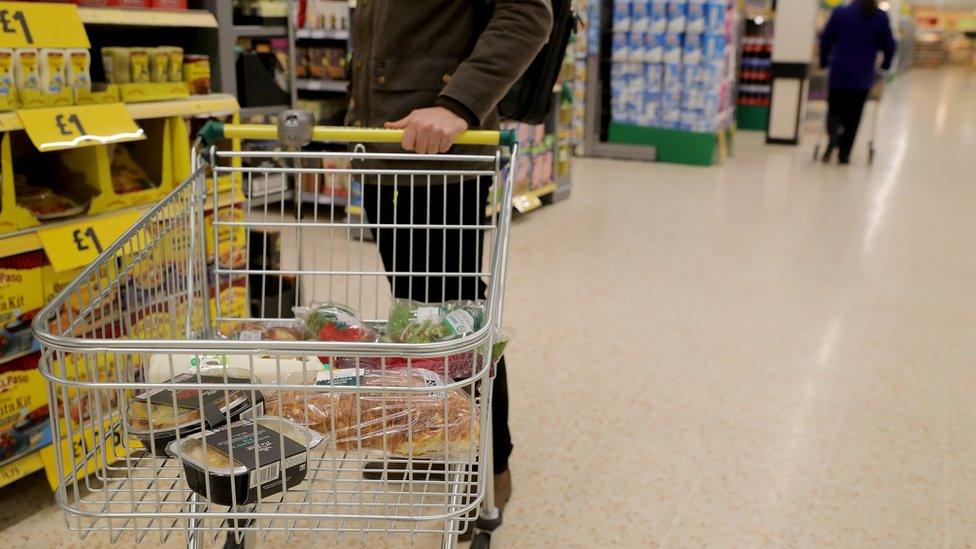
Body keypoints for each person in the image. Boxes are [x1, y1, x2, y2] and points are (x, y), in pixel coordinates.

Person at [346, 0, 554, 514]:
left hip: (444, 155)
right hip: (385, 147)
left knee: (458, 316)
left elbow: (528, 14)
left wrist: (459, 104)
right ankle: (434, 438)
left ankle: (492, 463)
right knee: (415, 314)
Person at [819, 0, 896, 164]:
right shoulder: (879, 16)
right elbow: (889, 44)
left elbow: (826, 38)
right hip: (863, 74)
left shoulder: (840, 12)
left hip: (839, 72)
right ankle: (844, 153)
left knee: (834, 110)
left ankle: (833, 138)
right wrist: (886, 64)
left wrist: (824, 61)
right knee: (853, 116)